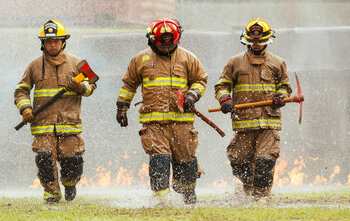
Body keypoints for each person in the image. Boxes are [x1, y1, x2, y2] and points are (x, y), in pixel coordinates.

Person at [116, 18, 208, 204]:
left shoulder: (188, 58)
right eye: (162, 45)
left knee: (186, 165)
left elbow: (200, 80)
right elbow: (129, 84)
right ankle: (162, 201)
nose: (167, 49)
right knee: (160, 160)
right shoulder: (140, 60)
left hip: (182, 124)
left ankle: (187, 191)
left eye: (171, 45)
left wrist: (192, 95)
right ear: (151, 40)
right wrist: (122, 107)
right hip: (153, 123)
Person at [14, 20, 97, 204]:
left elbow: (93, 83)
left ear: (63, 42)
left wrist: (80, 88)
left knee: (71, 163)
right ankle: (51, 194)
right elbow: (21, 90)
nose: (52, 45)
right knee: (44, 160)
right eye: (48, 41)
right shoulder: (34, 66)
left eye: (56, 41)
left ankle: (70, 184)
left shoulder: (78, 63)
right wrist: (25, 108)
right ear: (43, 43)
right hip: (42, 124)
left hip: (69, 124)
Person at [214, 18, 292, 200]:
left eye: (260, 41)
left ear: (267, 40)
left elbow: (285, 86)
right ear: (247, 40)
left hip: (268, 122)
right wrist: (224, 99)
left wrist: (281, 96)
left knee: (265, 161)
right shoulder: (234, 62)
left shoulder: (278, 63)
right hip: (243, 122)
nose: (256, 45)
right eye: (253, 41)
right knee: (239, 163)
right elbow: (221, 86)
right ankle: (248, 186)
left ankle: (261, 199)